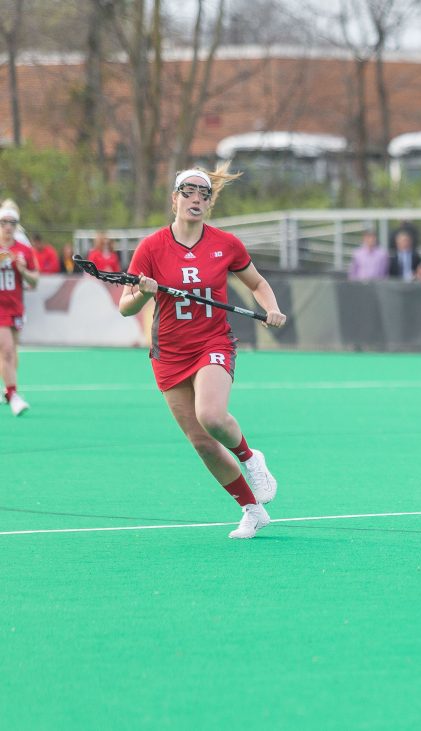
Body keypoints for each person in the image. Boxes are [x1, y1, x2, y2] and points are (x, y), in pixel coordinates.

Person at [118, 166, 287, 539]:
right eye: (188, 191)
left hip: (213, 343)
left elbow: (257, 283)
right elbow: (125, 307)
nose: (196, 198)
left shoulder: (226, 244)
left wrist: (270, 307)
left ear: (209, 203)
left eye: (203, 194)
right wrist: (145, 291)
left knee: (211, 415)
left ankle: (250, 458)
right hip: (169, 353)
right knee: (202, 444)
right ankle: (251, 510)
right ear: (175, 198)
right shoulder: (151, 247)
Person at [0, 201, 39, 416]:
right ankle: (13, 394)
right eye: (4, 222)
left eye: (12, 223)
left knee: (11, 351)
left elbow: (35, 281)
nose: (8, 227)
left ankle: (8, 389)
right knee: (5, 349)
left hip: (14, 305)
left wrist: (23, 270)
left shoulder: (23, 248)